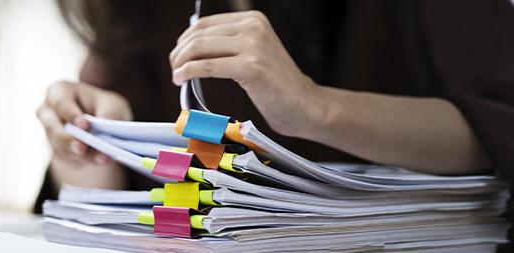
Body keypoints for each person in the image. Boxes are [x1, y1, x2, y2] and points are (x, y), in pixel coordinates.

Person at [34, 0, 514, 211]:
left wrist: (315, 109)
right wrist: (88, 145)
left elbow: (502, 123)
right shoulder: (138, 13)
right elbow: (126, 200)